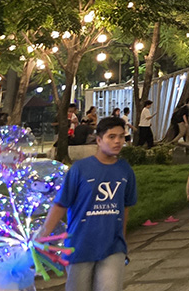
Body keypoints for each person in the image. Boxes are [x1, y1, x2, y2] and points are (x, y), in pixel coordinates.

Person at [38, 117, 137, 291]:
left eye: (121, 136)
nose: (117, 141)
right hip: (80, 246)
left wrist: (123, 240)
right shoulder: (80, 169)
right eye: (111, 137)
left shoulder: (125, 170)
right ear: (98, 140)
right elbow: (61, 204)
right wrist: (43, 236)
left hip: (113, 246)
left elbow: (124, 208)